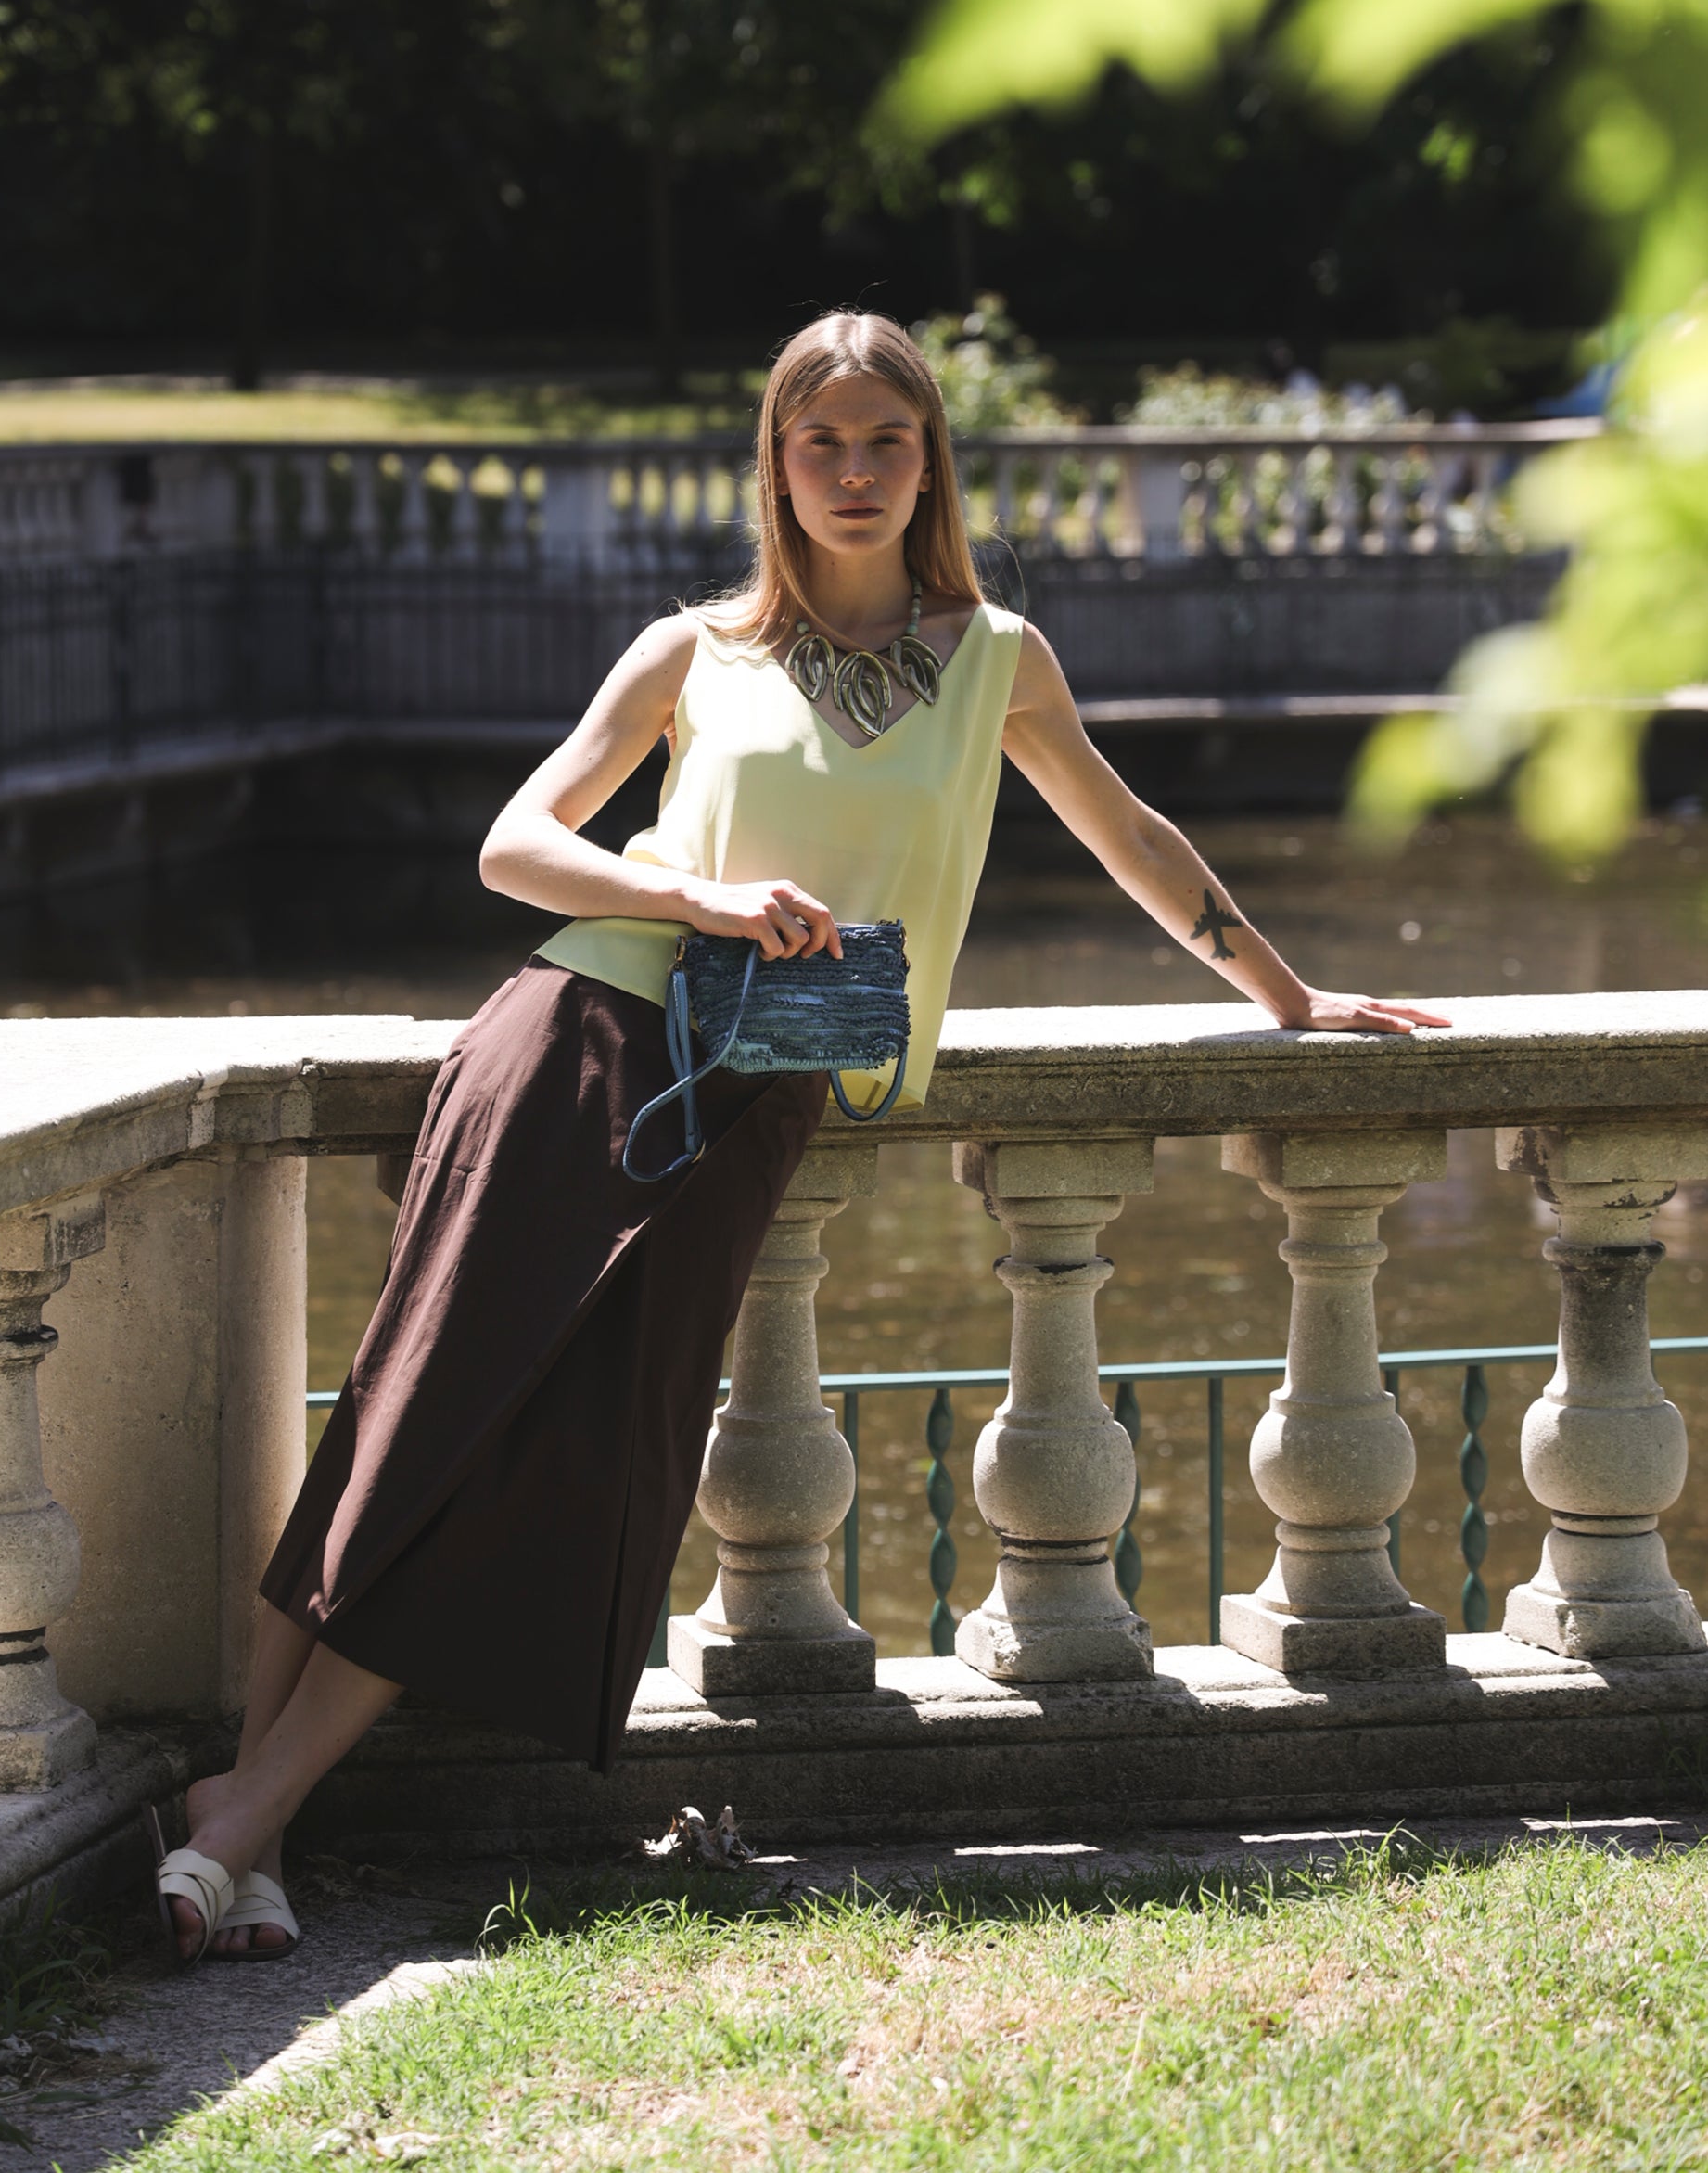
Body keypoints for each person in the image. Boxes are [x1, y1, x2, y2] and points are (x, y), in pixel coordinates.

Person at [147, 311, 1447, 1965]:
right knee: (422, 1415)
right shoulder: (692, 650)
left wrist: (1287, 993)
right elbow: (514, 846)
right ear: (773, 463)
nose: (852, 471)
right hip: (578, 1044)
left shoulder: (998, 658)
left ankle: (239, 1811)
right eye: (818, 441)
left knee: (562, 1457)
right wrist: (699, 895)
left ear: (930, 462)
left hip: (757, 1091)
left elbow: (1126, 831)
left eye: (884, 440)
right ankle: (248, 1826)